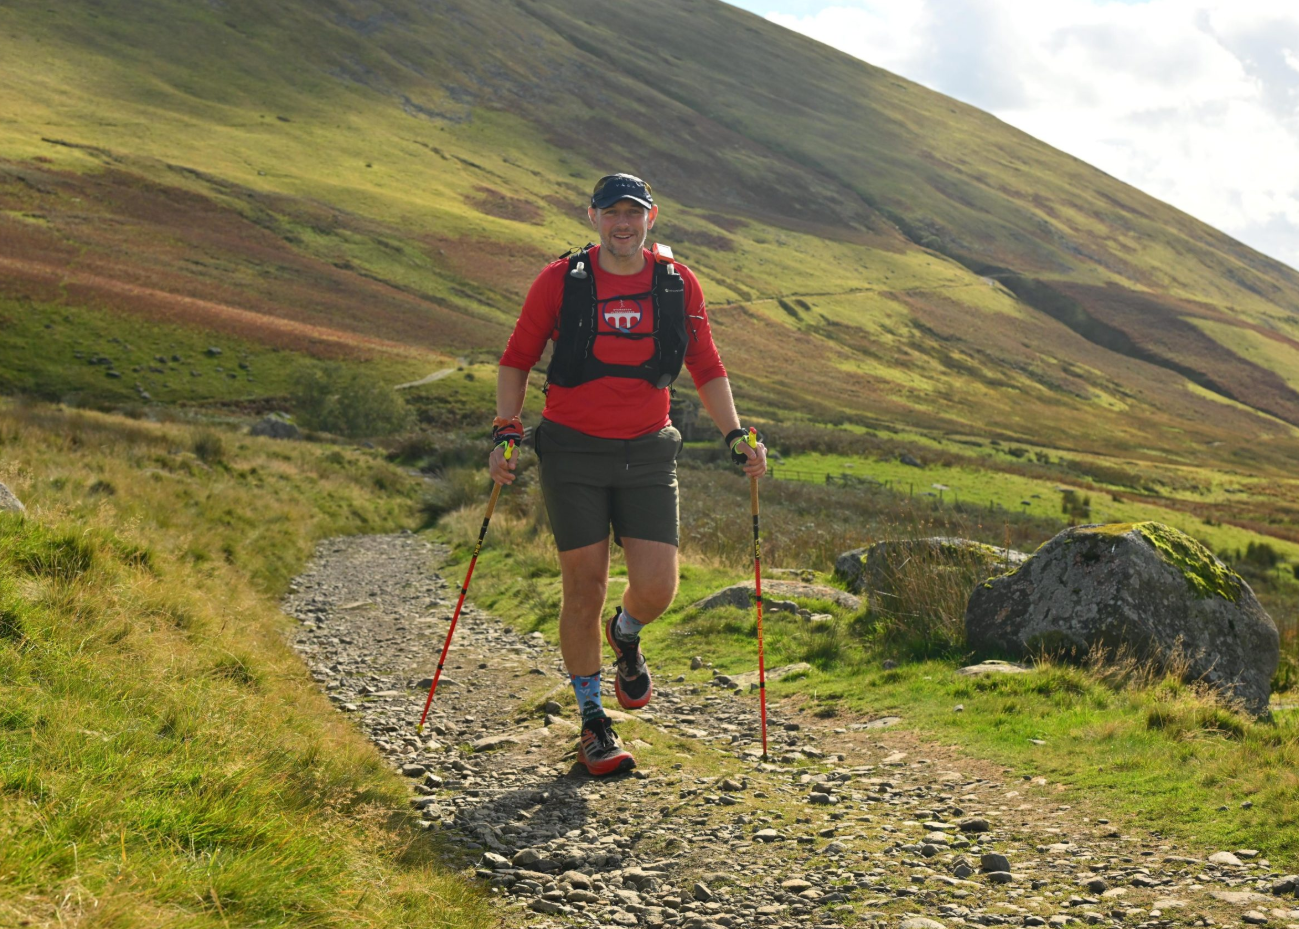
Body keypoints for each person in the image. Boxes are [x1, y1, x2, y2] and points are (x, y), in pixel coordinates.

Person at [490, 173, 767, 776]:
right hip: (572, 452)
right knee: (583, 587)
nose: (623, 223)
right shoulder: (559, 281)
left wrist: (734, 434)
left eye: (633, 213)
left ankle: (627, 631)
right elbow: (516, 359)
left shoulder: (676, 282)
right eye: (612, 212)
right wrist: (506, 430)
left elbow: (706, 364)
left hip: (647, 452)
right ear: (592, 217)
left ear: (651, 217)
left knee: (658, 586)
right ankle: (593, 721)